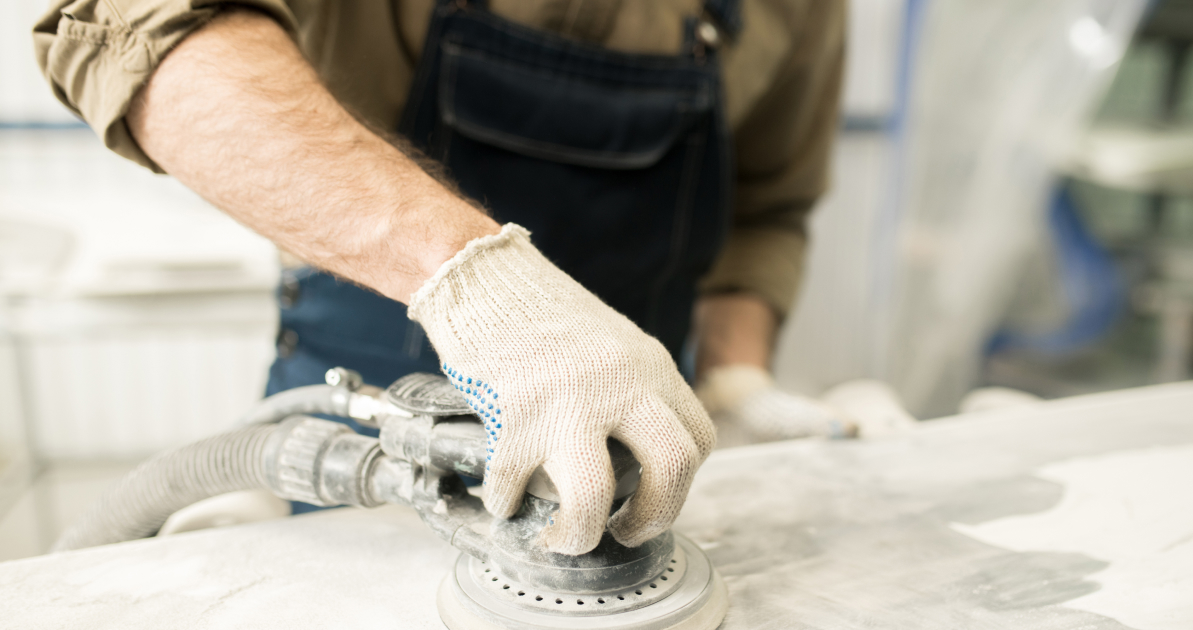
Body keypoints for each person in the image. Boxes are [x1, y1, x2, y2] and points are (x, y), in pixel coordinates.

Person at [32, 0, 849, 556]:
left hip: (634, 439)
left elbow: (766, 205)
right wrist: (476, 282)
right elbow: (133, 27)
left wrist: (737, 376)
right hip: (360, 418)